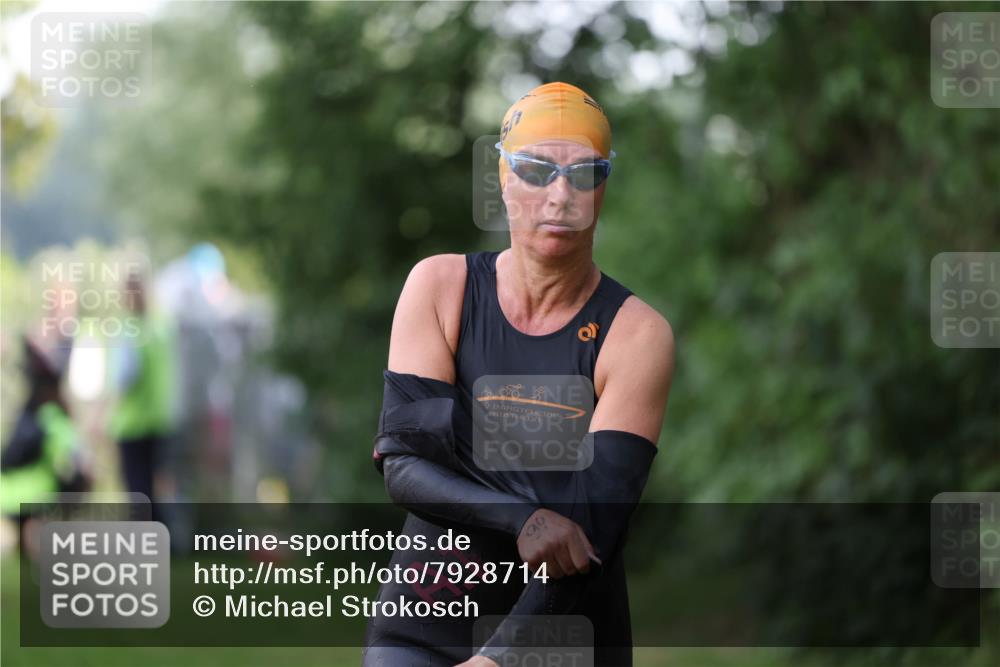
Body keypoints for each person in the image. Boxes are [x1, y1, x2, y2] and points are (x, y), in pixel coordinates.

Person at [363, 82, 675, 667]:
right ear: (503, 180)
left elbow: (593, 530)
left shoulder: (637, 335)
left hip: (566, 629)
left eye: (584, 174)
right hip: (429, 618)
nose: (559, 195)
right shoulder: (441, 288)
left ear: (603, 188)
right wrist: (526, 518)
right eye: (535, 170)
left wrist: (496, 660)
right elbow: (406, 468)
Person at [1, 336, 87, 557]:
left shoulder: (25, 417)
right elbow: (74, 459)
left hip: (7, 494)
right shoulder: (52, 418)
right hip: (38, 495)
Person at [108, 271, 176, 523]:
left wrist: (106, 412)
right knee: (154, 485)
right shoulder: (161, 327)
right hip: (160, 419)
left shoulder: (130, 329)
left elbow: (125, 376)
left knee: (138, 488)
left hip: (133, 422)